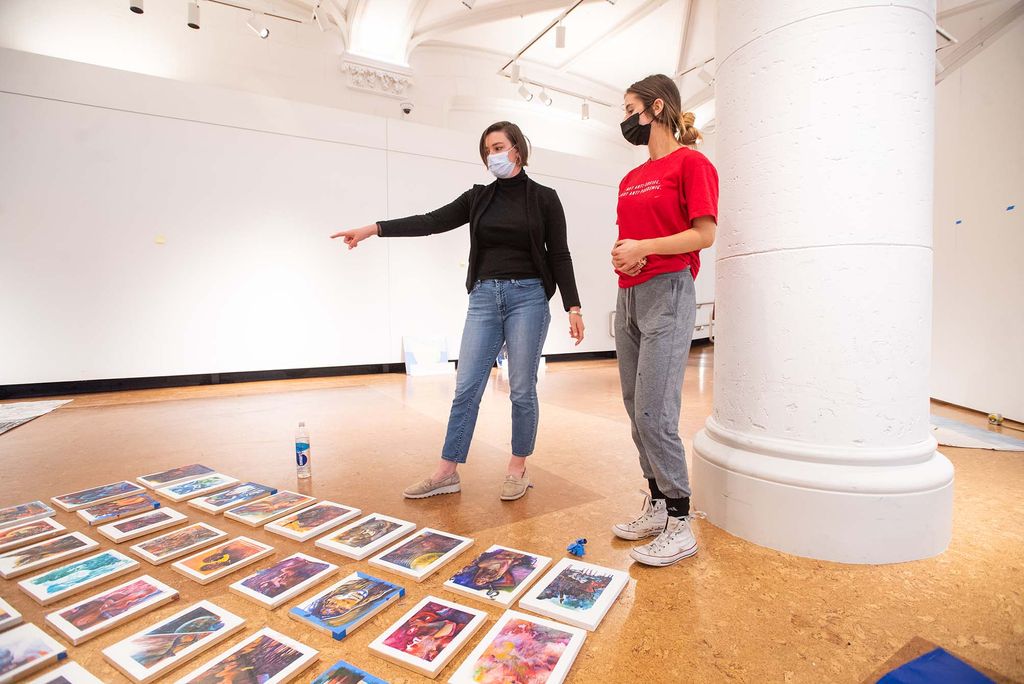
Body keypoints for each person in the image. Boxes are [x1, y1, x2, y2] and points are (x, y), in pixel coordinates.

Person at [331, 121, 583, 501]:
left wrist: (572, 305)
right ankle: (447, 471)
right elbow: (431, 221)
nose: (491, 156)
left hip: (528, 296)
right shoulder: (479, 197)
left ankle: (518, 467)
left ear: (517, 148)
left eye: (498, 147)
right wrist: (374, 229)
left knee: (521, 388)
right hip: (484, 297)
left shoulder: (544, 198)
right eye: (486, 151)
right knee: (466, 387)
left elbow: (559, 254)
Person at [609, 74, 719, 566]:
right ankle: (656, 502)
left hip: (669, 293)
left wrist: (645, 250)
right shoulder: (630, 178)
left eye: (630, 108)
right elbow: (629, 239)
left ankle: (681, 519)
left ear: (655, 108)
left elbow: (703, 235)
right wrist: (624, 257)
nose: (625, 119)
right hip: (628, 296)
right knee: (637, 410)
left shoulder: (691, 164)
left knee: (656, 411)